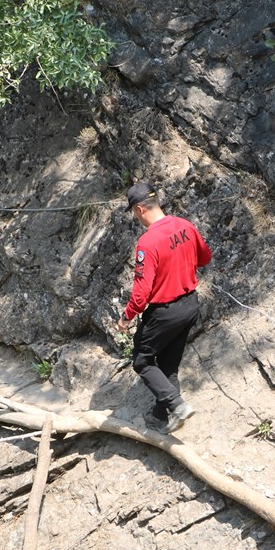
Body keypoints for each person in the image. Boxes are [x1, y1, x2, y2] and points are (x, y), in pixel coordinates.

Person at [115, 183, 211, 434]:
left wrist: (126, 317)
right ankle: (159, 416)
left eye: (135, 214)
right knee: (168, 364)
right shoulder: (184, 225)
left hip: (164, 312)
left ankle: (177, 405)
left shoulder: (148, 242)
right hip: (190, 305)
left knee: (142, 360)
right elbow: (204, 258)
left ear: (139, 209)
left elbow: (141, 292)